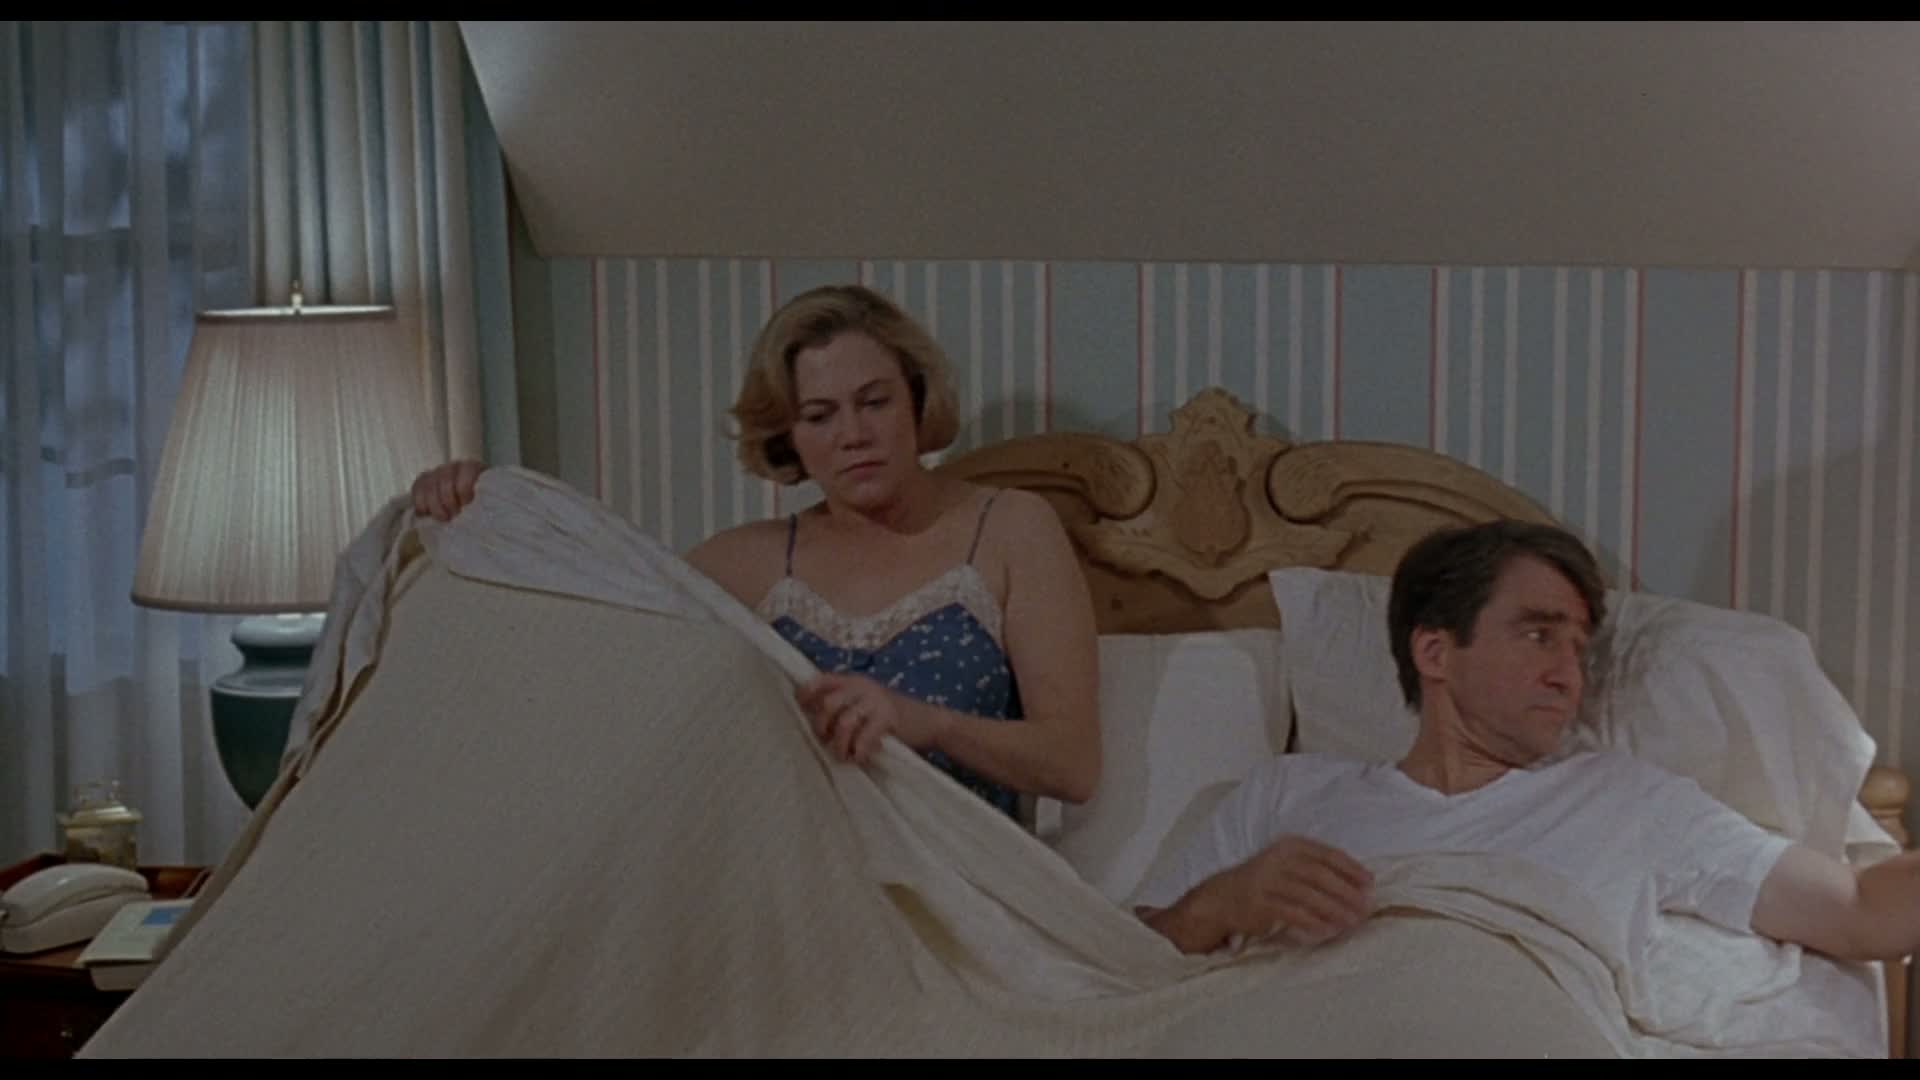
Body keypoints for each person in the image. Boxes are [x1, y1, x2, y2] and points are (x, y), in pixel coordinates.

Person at [409, 283, 1102, 820]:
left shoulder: (1010, 528)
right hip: (791, 874)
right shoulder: (748, 564)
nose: (853, 434)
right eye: (820, 416)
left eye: (874, 402)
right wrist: (484, 508)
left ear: (917, 402)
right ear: (787, 437)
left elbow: (1073, 764)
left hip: (966, 883)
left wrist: (928, 723)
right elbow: (587, 628)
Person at [1132, 519, 1920, 969]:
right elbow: (1115, 974)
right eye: (1538, 635)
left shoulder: (1626, 801)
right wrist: (1222, 903)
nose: (1568, 675)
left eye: (1579, 648)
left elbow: (1856, 911)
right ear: (1435, 651)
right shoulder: (1287, 796)